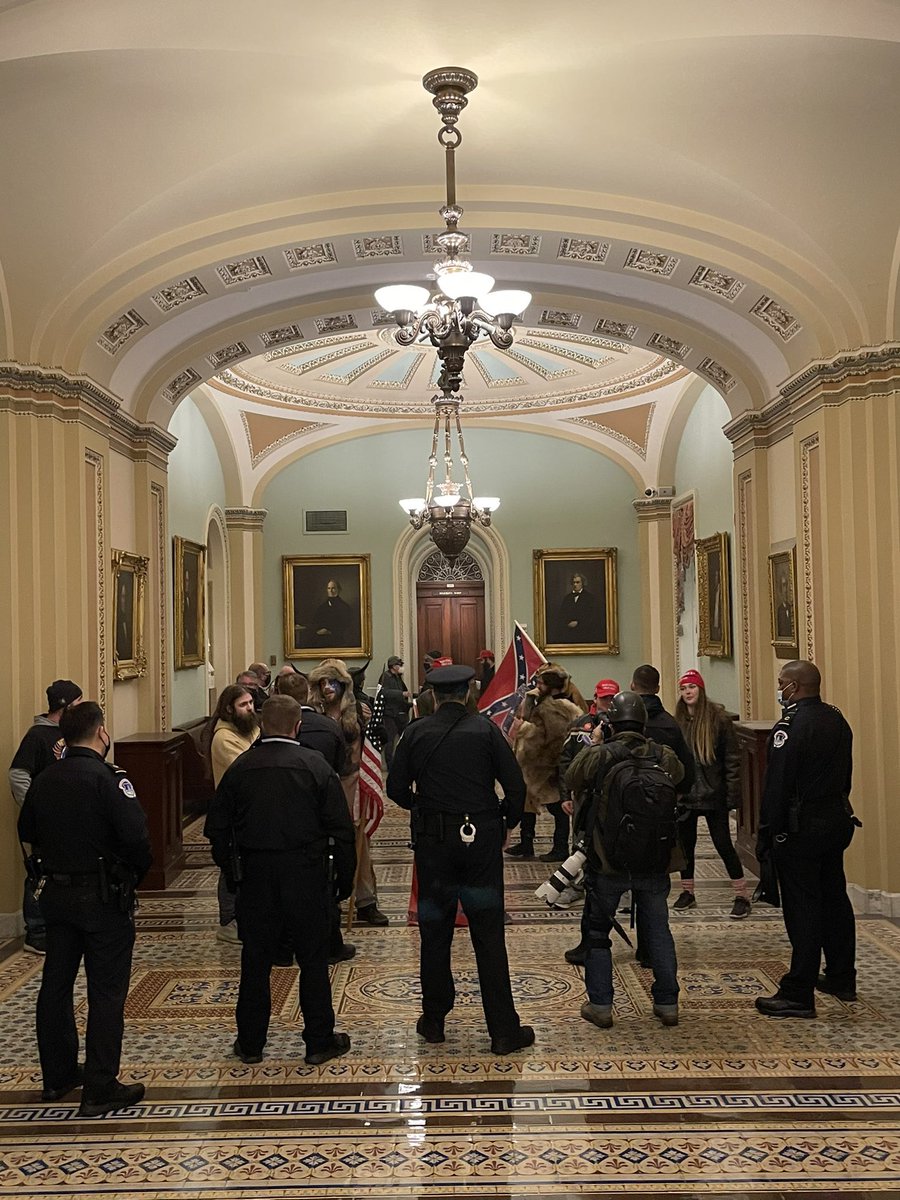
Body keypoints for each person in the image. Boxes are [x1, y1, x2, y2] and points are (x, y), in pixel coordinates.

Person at [386, 664, 534, 1054]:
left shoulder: (416, 732)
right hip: (480, 843)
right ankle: (503, 1030)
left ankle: (433, 1020)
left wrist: (422, 806)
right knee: (488, 935)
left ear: (433, 697)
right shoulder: (486, 730)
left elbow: (395, 787)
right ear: (468, 694)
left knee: (435, 934)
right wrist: (505, 821)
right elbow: (516, 787)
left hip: (434, 846)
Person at [204, 695, 356, 1065]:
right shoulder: (315, 766)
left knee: (254, 962)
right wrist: (343, 883)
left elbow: (217, 830)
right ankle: (319, 1040)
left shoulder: (241, 768)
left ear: (262, 724)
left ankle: (251, 1043)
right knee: (312, 961)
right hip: (306, 876)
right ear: (297, 726)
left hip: (256, 878)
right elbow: (342, 830)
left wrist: (232, 873)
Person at [17, 701, 151, 1116]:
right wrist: (130, 879)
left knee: (55, 987)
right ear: (100, 732)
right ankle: (99, 1085)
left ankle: (56, 1077)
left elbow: (27, 831)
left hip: (56, 898)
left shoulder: (45, 780)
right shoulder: (109, 780)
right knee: (106, 991)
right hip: (102, 900)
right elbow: (137, 840)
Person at [565, 691, 685, 1028]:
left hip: (608, 859)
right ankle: (667, 1003)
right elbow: (680, 778)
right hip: (654, 858)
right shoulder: (663, 755)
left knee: (598, 931)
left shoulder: (601, 754)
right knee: (659, 930)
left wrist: (595, 744)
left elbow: (572, 777)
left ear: (612, 722)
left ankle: (601, 1005)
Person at [755, 660, 859, 1019]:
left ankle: (798, 991)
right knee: (834, 897)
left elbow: (778, 785)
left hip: (801, 829)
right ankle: (842, 976)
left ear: (793, 687)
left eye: (781, 683)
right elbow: (845, 774)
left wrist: (767, 832)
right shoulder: (836, 718)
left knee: (803, 908)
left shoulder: (790, 726)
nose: (779, 689)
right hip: (836, 819)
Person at [273, 670, 355, 964]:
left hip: (277, 816)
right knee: (321, 886)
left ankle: (282, 948)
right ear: (308, 693)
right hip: (317, 815)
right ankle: (328, 945)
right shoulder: (327, 727)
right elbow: (339, 770)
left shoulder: (266, 728)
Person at [308, 658, 388, 926]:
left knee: (359, 846)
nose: (328, 688)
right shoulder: (311, 715)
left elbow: (373, 745)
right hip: (321, 787)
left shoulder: (358, 712)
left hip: (353, 783)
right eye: (323, 683)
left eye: (332, 682)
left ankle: (366, 901)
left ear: (343, 685)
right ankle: (329, 898)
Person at [9, 678, 83, 954]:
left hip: (69, 819)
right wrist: (36, 807)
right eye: (76, 704)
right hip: (45, 819)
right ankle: (36, 930)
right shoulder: (37, 736)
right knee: (38, 873)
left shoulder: (71, 733)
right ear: (63, 707)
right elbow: (18, 775)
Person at [672, 670, 751, 918]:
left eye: (692, 687)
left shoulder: (719, 720)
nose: (688, 692)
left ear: (701, 690)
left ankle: (741, 894)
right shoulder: (678, 722)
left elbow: (732, 761)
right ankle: (688, 891)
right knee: (686, 847)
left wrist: (731, 796)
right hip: (687, 795)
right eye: (684, 688)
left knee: (723, 845)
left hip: (713, 794)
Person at [507, 666, 582, 860]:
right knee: (528, 803)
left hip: (548, 765)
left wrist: (524, 730)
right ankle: (526, 843)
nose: (537, 686)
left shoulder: (556, 707)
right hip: (537, 765)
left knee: (558, 807)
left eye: (541, 683)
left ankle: (559, 848)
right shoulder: (545, 703)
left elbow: (553, 737)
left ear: (551, 686)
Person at [203, 684, 258, 943]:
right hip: (232, 811)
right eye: (243, 705)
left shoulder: (250, 728)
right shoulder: (224, 738)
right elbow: (249, 767)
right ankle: (227, 921)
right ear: (228, 709)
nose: (250, 708)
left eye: (250, 703)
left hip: (250, 808)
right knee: (231, 866)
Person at [551, 572, 605, 644]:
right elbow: (561, 615)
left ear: (582, 583)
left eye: (577, 582)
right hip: (568, 634)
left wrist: (578, 623)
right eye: (573, 582)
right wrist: (567, 624)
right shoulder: (567, 598)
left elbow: (593, 617)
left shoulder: (590, 598)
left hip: (585, 634)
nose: (575, 585)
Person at [378, 655, 411, 766]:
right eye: (399, 665)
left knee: (405, 737)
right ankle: (389, 764)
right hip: (389, 714)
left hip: (399, 713)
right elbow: (384, 693)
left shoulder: (397, 677)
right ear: (393, 666)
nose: (401, 667)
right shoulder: (386, 677)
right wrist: (401, 694)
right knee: (390, 740)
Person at [775, 571, 794, 639]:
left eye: (786, 585)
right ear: (780, 589)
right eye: (783, 585)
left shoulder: (791, 607)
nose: (786, 590)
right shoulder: (779, 610)